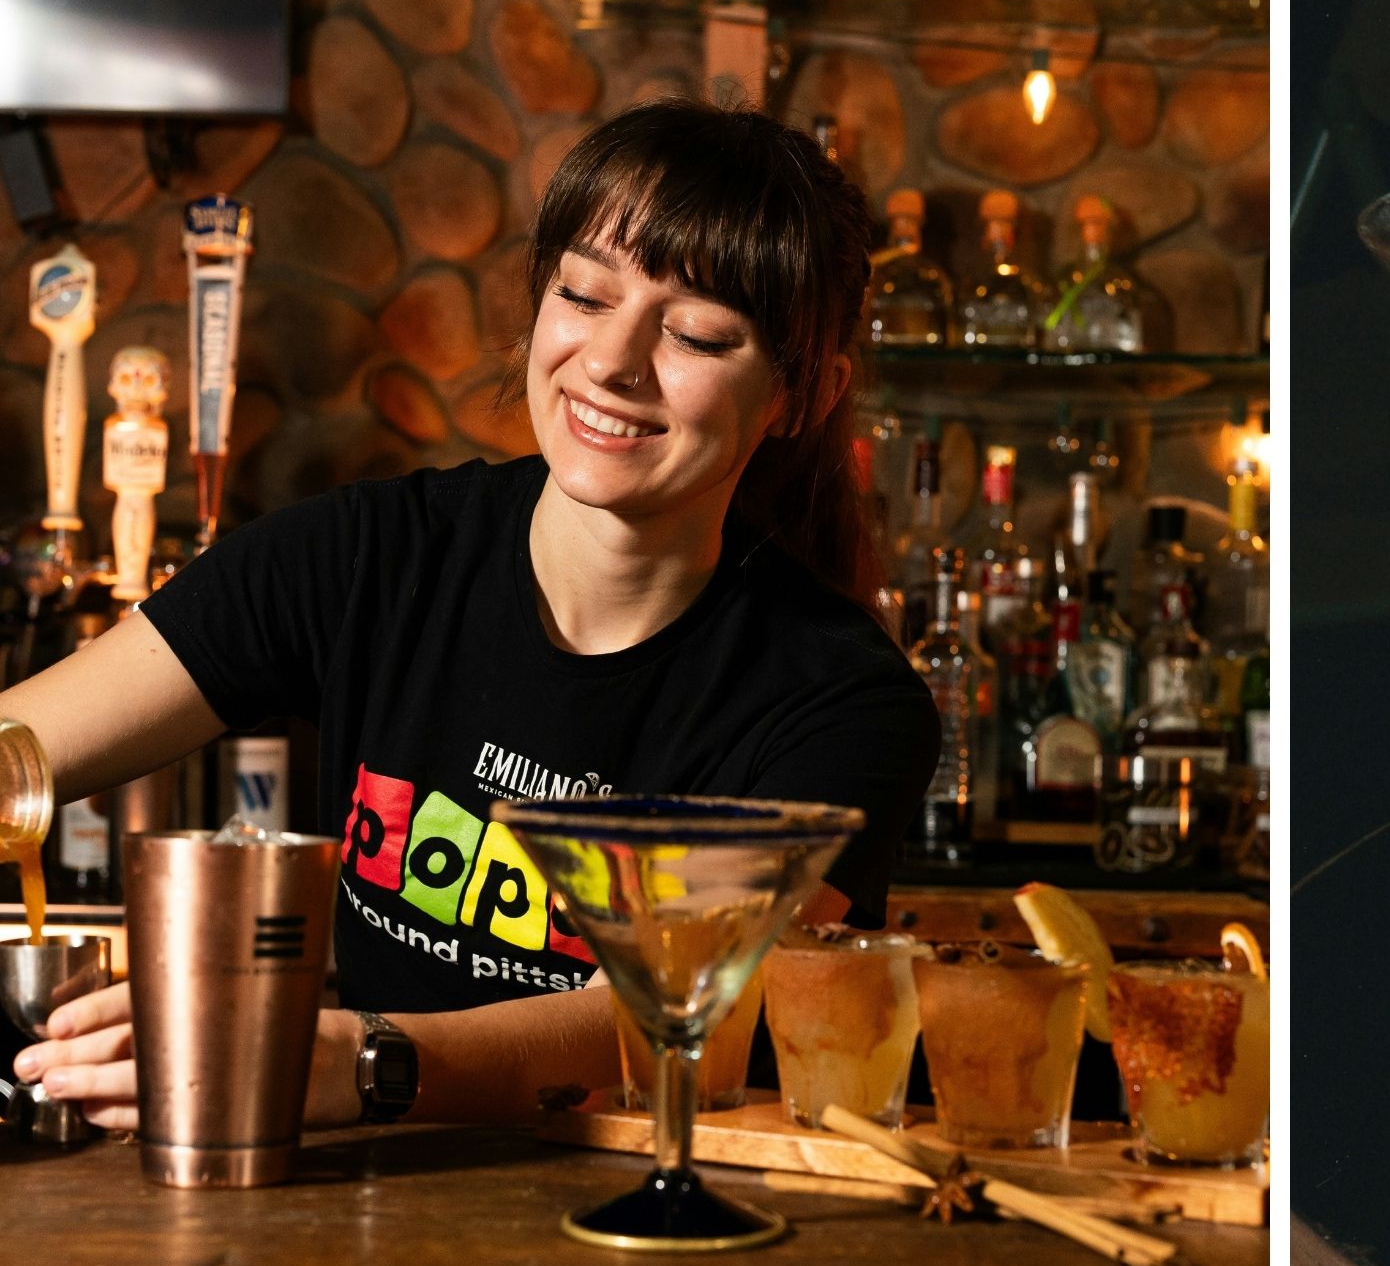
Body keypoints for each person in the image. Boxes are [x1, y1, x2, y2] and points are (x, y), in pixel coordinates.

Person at [0, 100, 940, 1132]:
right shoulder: (375, 557)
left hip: (654, 1231)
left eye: (697, 333)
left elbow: (684, 1021)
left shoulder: (839, 701)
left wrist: (363, 1059)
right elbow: (20, 749)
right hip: (366, 1210)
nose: (612, 362)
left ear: (802, 395)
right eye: (584, 295)